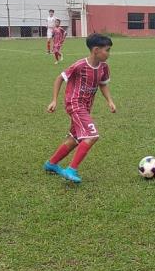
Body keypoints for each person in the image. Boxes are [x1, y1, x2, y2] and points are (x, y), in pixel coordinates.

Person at [44, 33, 116, 183]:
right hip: (75, 104)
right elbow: (60, 78)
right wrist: (54, 100)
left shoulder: (104, 67)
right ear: (96, 50)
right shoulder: (79, 65)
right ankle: (71, 169)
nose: (109, 53)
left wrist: (109, 101)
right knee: (92, 135)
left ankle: (51, 164)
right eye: (107, 50)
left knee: (75, 138)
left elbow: (103, 84)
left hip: (86, 106)